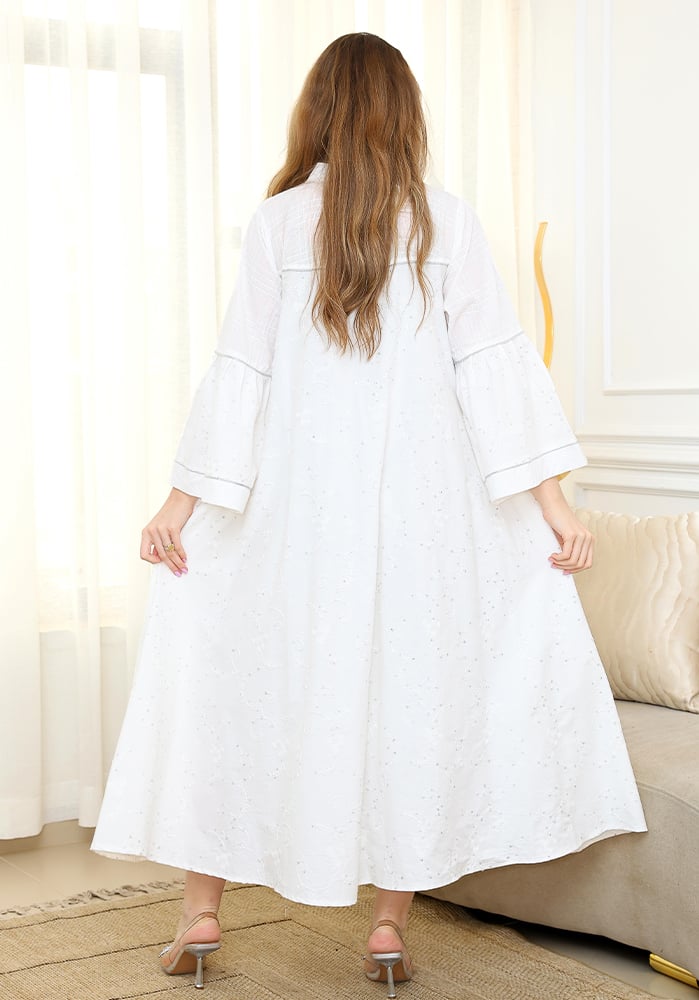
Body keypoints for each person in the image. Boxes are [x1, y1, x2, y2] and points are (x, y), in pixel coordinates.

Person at [91, 32, 646, 994]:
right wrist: (552, 503)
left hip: (292, 512)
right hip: (419, 516)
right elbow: (491, 367)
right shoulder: (443, 223)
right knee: (412, 696)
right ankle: (386, 929)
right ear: (404, 115)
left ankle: (201, 914)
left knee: (235, 683)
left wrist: (179, 505)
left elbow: (242, 373)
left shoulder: (278, 224)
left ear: (316, 112)